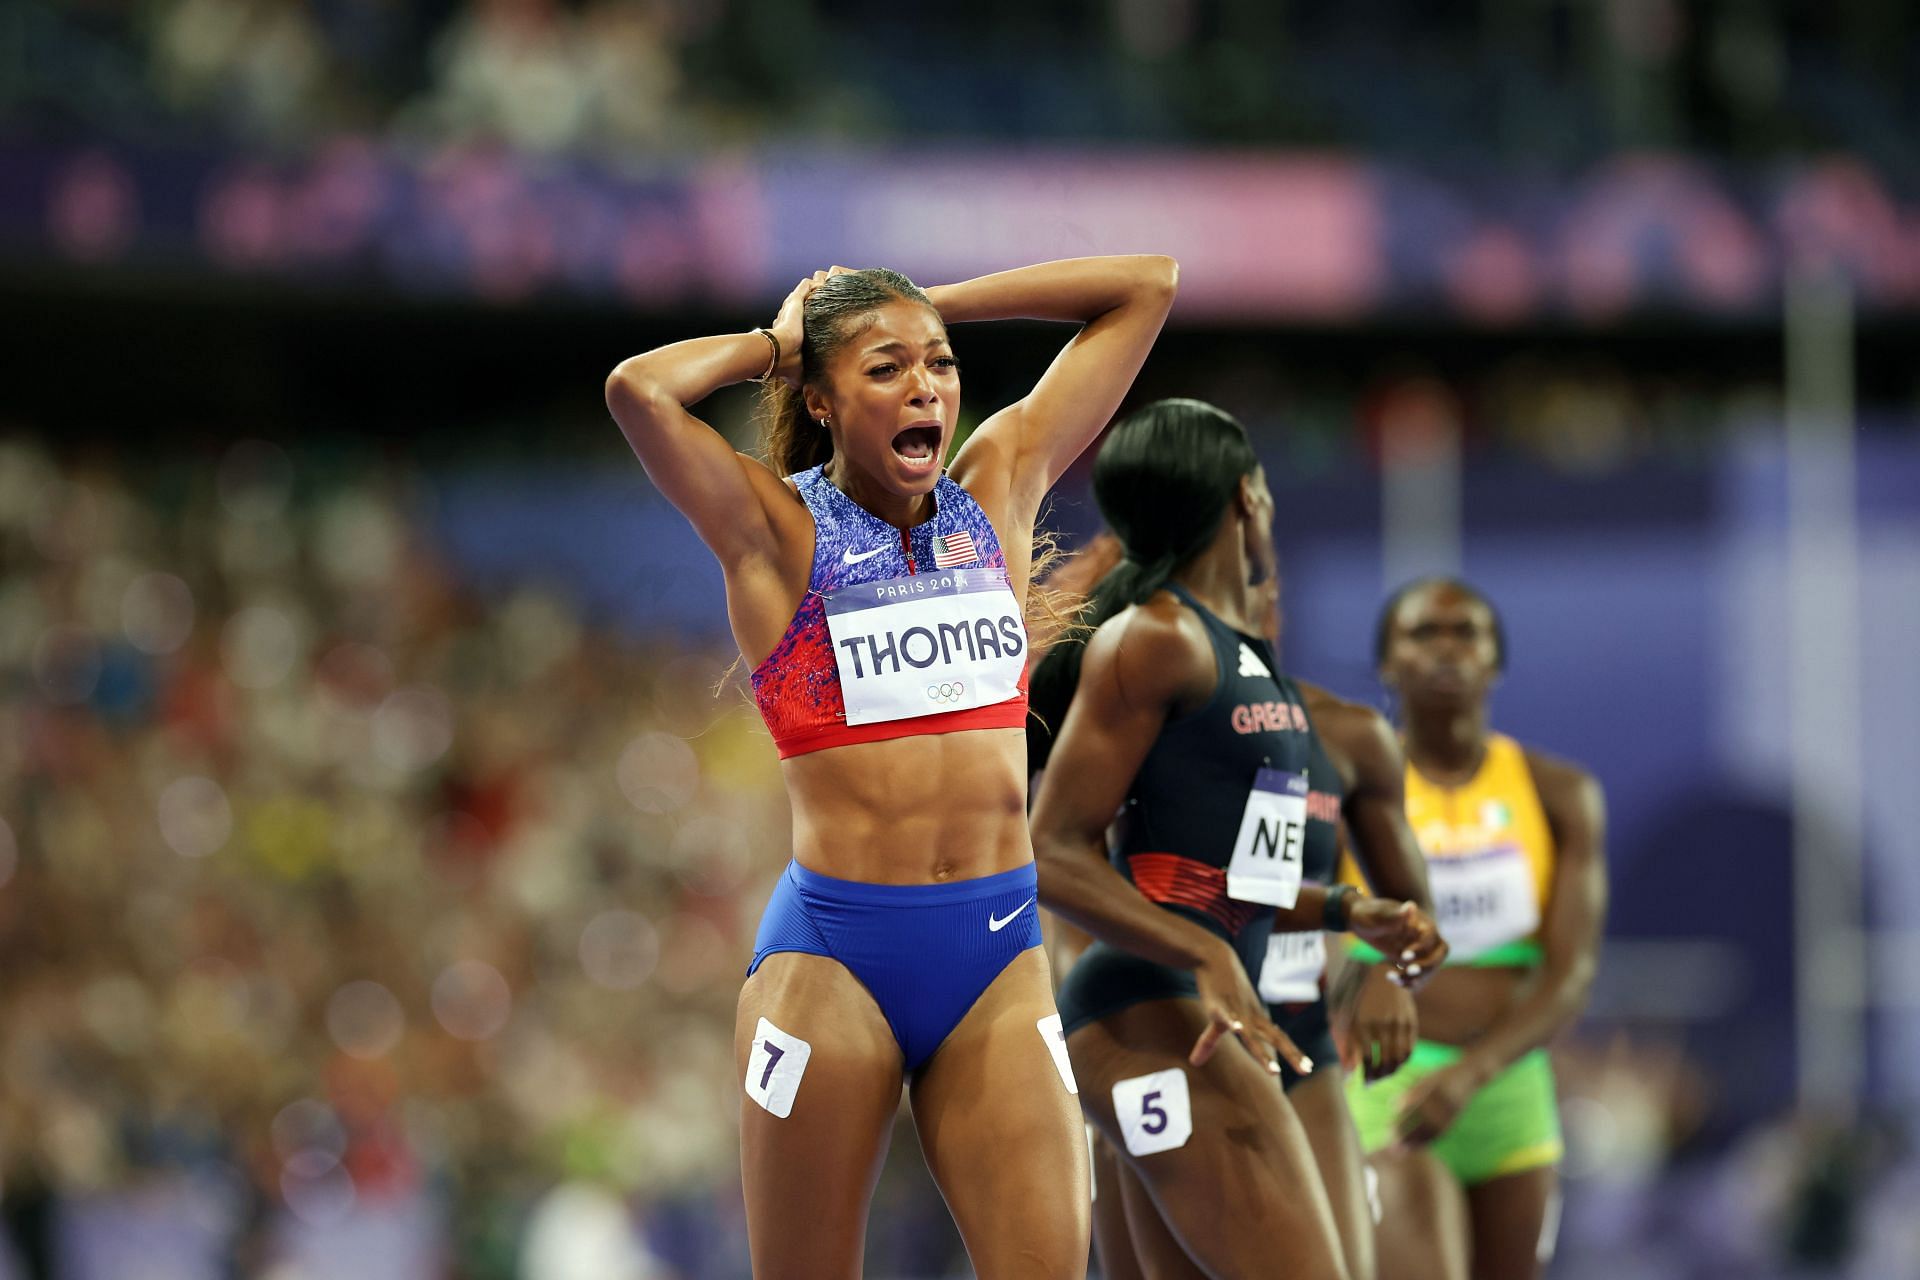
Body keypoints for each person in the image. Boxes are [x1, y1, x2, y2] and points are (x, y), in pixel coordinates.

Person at [603, 254, 1179, 1279]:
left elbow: (1147, 286)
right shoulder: (775, 532)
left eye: (941, 365)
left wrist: (924, 306)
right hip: (836, 961)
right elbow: (638, 390)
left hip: (998, 956)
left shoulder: (994, 488)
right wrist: (784, 342)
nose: (926, 386)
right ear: (819, 400)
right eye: (885, 368)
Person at [1026, 399, 1444, 1280]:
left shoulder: (1246, 663)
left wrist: (1347, 910)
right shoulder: (1157, 639)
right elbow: (1053, 851)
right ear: (1245, 499)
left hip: (1224, 1012)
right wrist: (1204, 957)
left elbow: (1230, 881)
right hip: (1152, 1005)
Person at [1342, 578, 1609, 1280]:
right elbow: (1294, 927)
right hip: (1386, 1087)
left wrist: (1471, 1075)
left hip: (1511, 1091)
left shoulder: (1559, 795)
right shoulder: (1349, 793)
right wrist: (1355, 977)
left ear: (1495, 661)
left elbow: (1571, 973)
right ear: (1387, 664)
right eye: (1423, 634)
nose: (1447, 649)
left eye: (1467, 633)